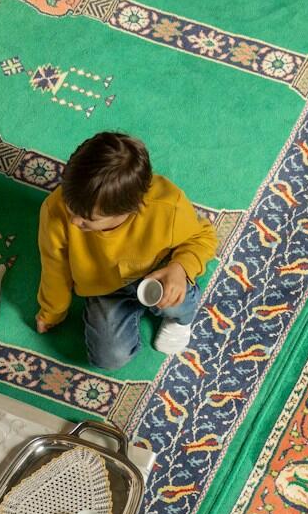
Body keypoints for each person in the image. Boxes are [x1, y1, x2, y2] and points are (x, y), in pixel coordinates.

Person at [35, 132, 217, 370]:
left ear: (129, 210)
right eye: (70, 208)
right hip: (104, 287)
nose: (74, 221)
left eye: (87, 219)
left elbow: (203, 236)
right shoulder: (54, 212)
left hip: (158, 270)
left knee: (178, 302)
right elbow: (54, 268)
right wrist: (52, 311)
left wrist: (180, 268)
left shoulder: (166, 206)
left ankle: (180, 321)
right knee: (110, 358)